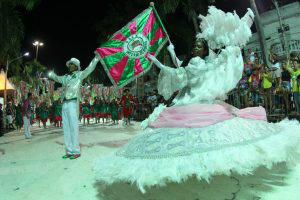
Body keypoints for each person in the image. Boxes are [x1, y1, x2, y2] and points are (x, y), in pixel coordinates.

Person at [94, 6, 300, 193]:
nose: (195, 48)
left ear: (204, 50)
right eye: (195, 45)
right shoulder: (193, 63)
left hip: (200, 104)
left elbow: (190, 71)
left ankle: (211, 166)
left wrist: (230, 51)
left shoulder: (206, 64)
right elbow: (180, 74)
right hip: (186, 103)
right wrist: (167, 57)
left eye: (199, 45)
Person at [48, 54, 100, 159]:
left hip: (73, 103)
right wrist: (51, 74)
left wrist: (97, 58)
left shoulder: (80, 75)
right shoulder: (65, 77)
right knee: (66, 128)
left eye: (72, 64)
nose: (70, 65)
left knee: (73, 127)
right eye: (69, 64)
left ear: (76, 66)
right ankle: (69, 151)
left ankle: (76, 151)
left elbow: (90, 68)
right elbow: (57, 78)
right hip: (65, 104)